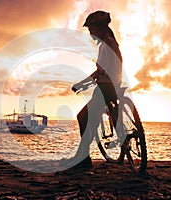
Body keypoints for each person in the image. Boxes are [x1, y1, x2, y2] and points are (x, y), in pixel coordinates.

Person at [70, 11, 123, 168]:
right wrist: (84, 83)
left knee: (83, 117)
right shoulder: (111, 43)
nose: (90, 32)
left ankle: (83, 159)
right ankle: (82, 157)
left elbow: (101, 71)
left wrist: (82, 83)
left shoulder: (107, 44)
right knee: (90, 120)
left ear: (100, 27)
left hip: (105, 87)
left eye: (92, 29)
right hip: (111, 84)